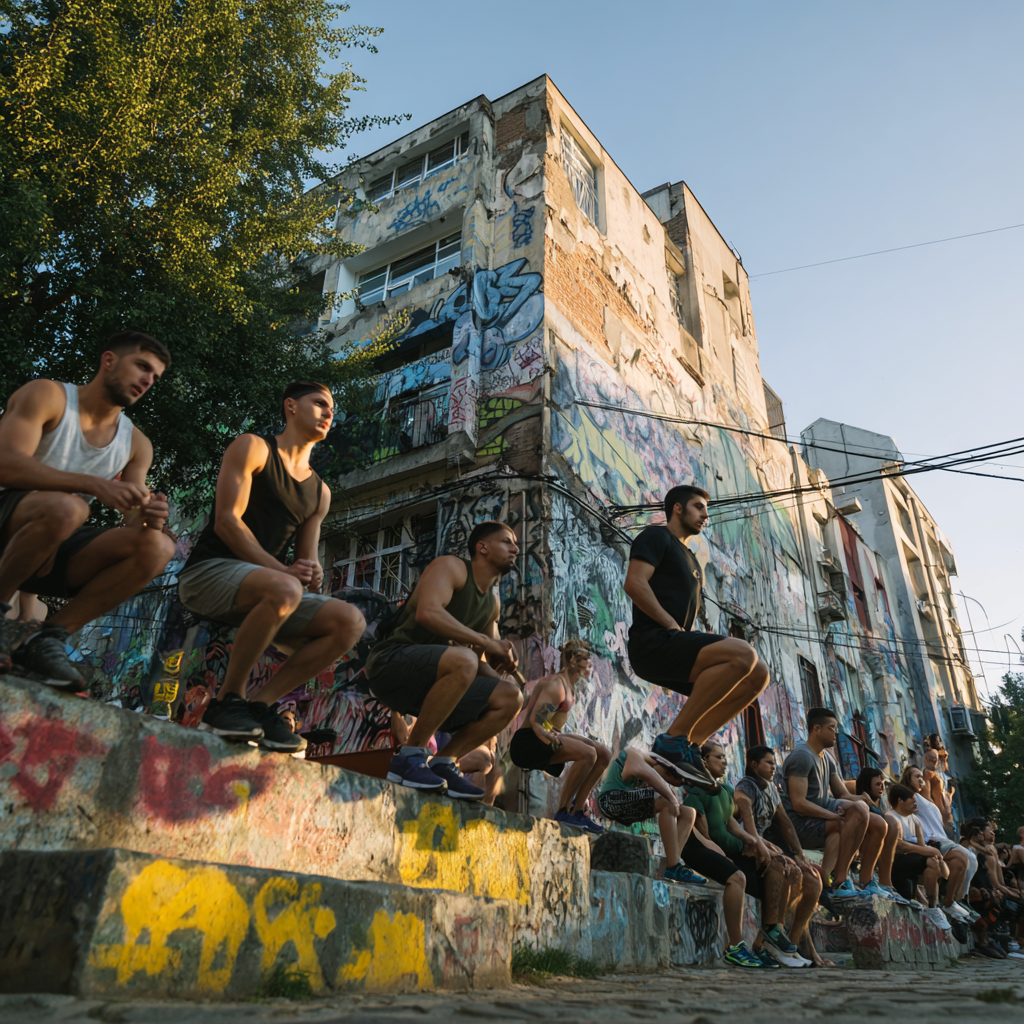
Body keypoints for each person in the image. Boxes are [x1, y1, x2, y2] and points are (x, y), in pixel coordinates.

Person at [178, 381, 365, 753]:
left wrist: (311, 574)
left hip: (268, 588)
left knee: (349, 622)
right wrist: (285, 574)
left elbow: (306, 561)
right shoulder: (254, 448)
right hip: (207, 574)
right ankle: (229, 700)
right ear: (291, 407)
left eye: (332, 408)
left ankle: (259, 705)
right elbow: (227, 522)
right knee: (285, 587)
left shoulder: (319, 492)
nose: (329, 413)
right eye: (319, 404)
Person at [0, 330, 177, 685]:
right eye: (141, 366)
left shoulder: (136, 443)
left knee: (158, 547)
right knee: (71, 509)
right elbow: (5, 462)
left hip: (49, 543)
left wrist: (149, 517)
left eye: (154, 376)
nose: (147, 380)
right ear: (108, 360)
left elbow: (133, 518)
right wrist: (90, 483)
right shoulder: (48, 395)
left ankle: (45, 639)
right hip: (11, 518)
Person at [623, 485, 769, 791]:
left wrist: (681, 633)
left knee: (757, 675)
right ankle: (674, 738)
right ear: (678, 508)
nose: (706, 514)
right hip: (652, 643)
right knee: (743, 653)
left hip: (673, 644)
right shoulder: (656, 537)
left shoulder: (690, 559)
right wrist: (671, 626)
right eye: (699, 507)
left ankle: (688, 747)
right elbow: (635, 583)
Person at [364, 520, 524, 798]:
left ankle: (444, 762)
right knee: (463, 659)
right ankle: (410, 756)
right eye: (506, 541)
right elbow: (429, 612)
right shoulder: (452, 567)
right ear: (482, 547)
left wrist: (501, 671)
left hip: (436, 687)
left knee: (511, 697)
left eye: (515, 543)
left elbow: (477, 662)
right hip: (389, 665)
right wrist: (487, 642)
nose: (516, 548)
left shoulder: (491, 605)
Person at [687, 742, 810, 968]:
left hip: (733, 851)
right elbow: (702, 833)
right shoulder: (696, 791)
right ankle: (736, 948)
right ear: (704, 760)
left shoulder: (724, 791)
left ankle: (766, 940)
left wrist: (757, 843)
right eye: (718, 757)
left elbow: (733, 824)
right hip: (702, 850)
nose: (725, 761)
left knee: (783, 871)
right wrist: (729, 853)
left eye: (725, 757)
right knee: (740, 877)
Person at [735, 744, 832, 967]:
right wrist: (759, 843)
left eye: (774, 762)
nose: (773, 767)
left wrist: (799, 854)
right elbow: (747, 819)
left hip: (765, 847)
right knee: (786, 867)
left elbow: (786, 824)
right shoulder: (746, 786)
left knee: (813, 880)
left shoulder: (770, 789)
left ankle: (791, 944)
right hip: (746, 847)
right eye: (769, 762)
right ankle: (769, 935)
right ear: (754, 764)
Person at [779, 707, 890, 900]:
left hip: (820, 816)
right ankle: (840, 880)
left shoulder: (827, 758)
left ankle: (867, 881)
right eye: (832, 728)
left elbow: (842, 794)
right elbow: (798, 804)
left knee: (879, 823)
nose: (836, 733)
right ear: (816, 728)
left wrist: (862, 798)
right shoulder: (802, 756)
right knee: (849, 817)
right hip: (800, 823)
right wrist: (833, 814)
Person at [509, 638, 611, 833]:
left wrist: (560, 736)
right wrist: (552, 738)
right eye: (585, 659)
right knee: (588, 754)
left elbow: (548, 722)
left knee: (603, 754)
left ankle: (578, 810)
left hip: (543, 736)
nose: (590, 664)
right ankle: (564, 811)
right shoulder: (557, 686)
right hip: (527, 743)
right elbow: (536, 723)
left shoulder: (569, 687)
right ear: (573, 660)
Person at [596, 747, 711, 889]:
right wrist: (671, 798)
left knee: (688, 813)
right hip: (609, 802)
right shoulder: (634, 754)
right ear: (668, 767)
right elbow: (650, 775)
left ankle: (671, 864)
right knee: (667, 802)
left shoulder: (649, 766)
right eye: (675, 778)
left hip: (626, 806)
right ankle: (674, 866)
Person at [899, 765, 973, 922]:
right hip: (931, 840)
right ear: (907, 779)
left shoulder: (923, 799)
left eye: (921, 777)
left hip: (940, 838)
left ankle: (949, 902)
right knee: (962, 857)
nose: (921, 780)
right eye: (916, 776)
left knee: (961, 862)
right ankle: (948, 903)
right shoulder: (908, 797)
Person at [887, 783, 952, 932]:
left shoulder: (915, 820)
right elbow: (899, 846)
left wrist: (932, 853)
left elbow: (922, 849)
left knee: (932, 863)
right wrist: (930, 852)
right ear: (900, 801)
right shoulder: (891, 817)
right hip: (895, 864)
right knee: (931, 859)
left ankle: (932, 906)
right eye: (912, 800)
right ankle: (933, 908)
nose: (916, 804)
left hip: (911, 865)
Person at [852, 767, 906, 904]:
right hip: (857, 837)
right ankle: (866, 879)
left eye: (883, 784)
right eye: (878, 784)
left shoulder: (878, 803)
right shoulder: (856, 796)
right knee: (883, 822)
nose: (882, 788)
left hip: (872, 840)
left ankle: (886, 882)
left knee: (893, 823)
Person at [922, 745, 954, 831]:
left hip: (945, 820)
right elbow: (926, 796)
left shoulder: (938, 776)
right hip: (938, 819)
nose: (933, 760)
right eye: (930, 758)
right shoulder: (928, 773)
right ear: (925, 759)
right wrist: (934, 813)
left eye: (935, 758)